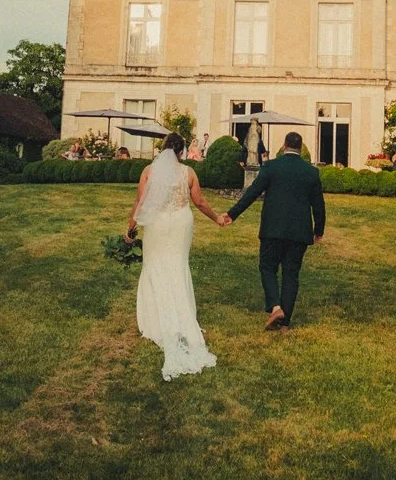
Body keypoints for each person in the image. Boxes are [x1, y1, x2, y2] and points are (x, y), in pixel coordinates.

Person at [124, 132, 227, 380]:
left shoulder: (149, 170)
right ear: (181, 152)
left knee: (155, 265)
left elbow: (140, 202)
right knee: (178, 266)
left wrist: (130, 228)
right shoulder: (188, 173)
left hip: (158, 223)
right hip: (181, 221)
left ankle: (155, 321)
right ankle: (183, 318)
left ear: (163, 149)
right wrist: (217, 218)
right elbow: (200, 202)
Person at [220, 132, 326, 331]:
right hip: (299, 232)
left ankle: (276, 307)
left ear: (284, 145)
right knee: (291, 274)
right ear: (301, 148)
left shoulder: (271, 167)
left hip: (272, 229)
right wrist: (318, 229)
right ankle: (285, 323)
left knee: (268, 268)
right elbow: (318, 205)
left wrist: (232, 214)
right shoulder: (311, 172)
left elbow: (252, 193)